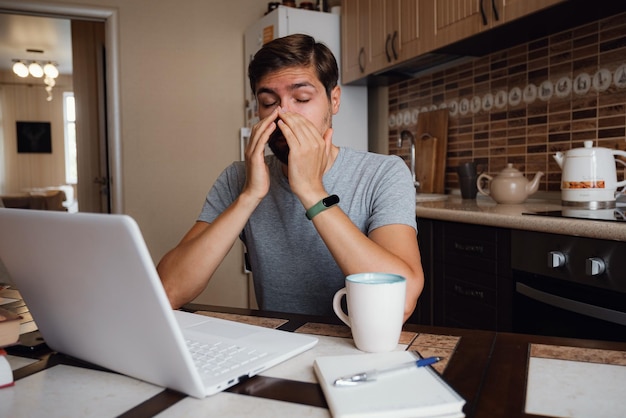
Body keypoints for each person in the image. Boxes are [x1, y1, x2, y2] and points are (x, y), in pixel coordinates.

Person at [157, 34, 424, 321]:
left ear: (334, 101)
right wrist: (249, 196)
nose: (283, 115)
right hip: (278, 347)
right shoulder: (239, 177)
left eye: (302, 98)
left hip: (358, 349)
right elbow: (168, 291)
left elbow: (403, 298)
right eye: (269, 101)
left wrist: (312, 192)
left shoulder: (383, 174)